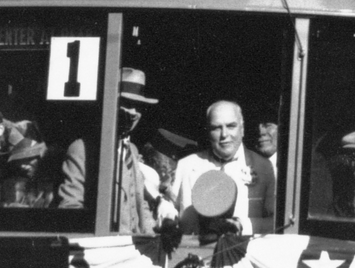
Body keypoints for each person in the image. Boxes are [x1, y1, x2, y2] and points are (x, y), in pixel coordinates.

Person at [173, 98, 277, 234]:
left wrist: (242, 225)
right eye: (216, 128)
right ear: (208, 131)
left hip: (241, 251)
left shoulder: (265, 168)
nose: (224, 134)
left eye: (231, 126)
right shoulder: (186, 166)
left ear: (242, 129)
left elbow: (275, 222)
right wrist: (168, 214)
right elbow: (170, 212)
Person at [112, 67, 173, 236]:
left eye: (137, 106)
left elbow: (138, 203)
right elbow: (73, 209)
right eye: (125, 104)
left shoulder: (131, 149)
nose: (133, 113)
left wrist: (154, 234)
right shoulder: (85, 150)